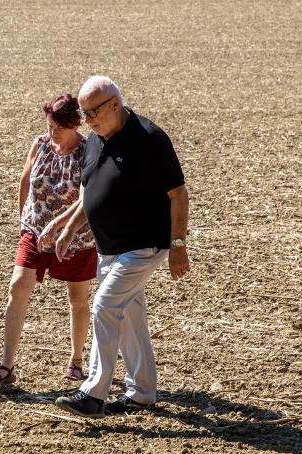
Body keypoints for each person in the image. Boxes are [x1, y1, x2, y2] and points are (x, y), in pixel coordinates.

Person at [42, 76, 191, 418]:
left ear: (114, 104)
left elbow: (178, 193)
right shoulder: (96, 141)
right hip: (109, 248)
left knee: (105, 306)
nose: (88, 119)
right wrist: (68, 229)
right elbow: (89, 195)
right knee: (129, 316)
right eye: (84, 112)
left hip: (144, 245)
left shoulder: (149, 138)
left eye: (93, 111)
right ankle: (142, 392)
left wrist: (178, 245)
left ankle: (93, 392)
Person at [0, 94, 95, 386]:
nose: (52, 133)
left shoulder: (87, 150)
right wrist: (23, 222)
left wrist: (60, 226)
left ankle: (76, 360)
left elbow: (86, 198)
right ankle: (7, 365)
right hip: (35, 229)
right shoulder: (41, 144)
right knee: (18, 285)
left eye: (59, 128)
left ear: (75, 124)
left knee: (77, 298)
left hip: (75, 237)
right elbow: (25, 181)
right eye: (49, 126)